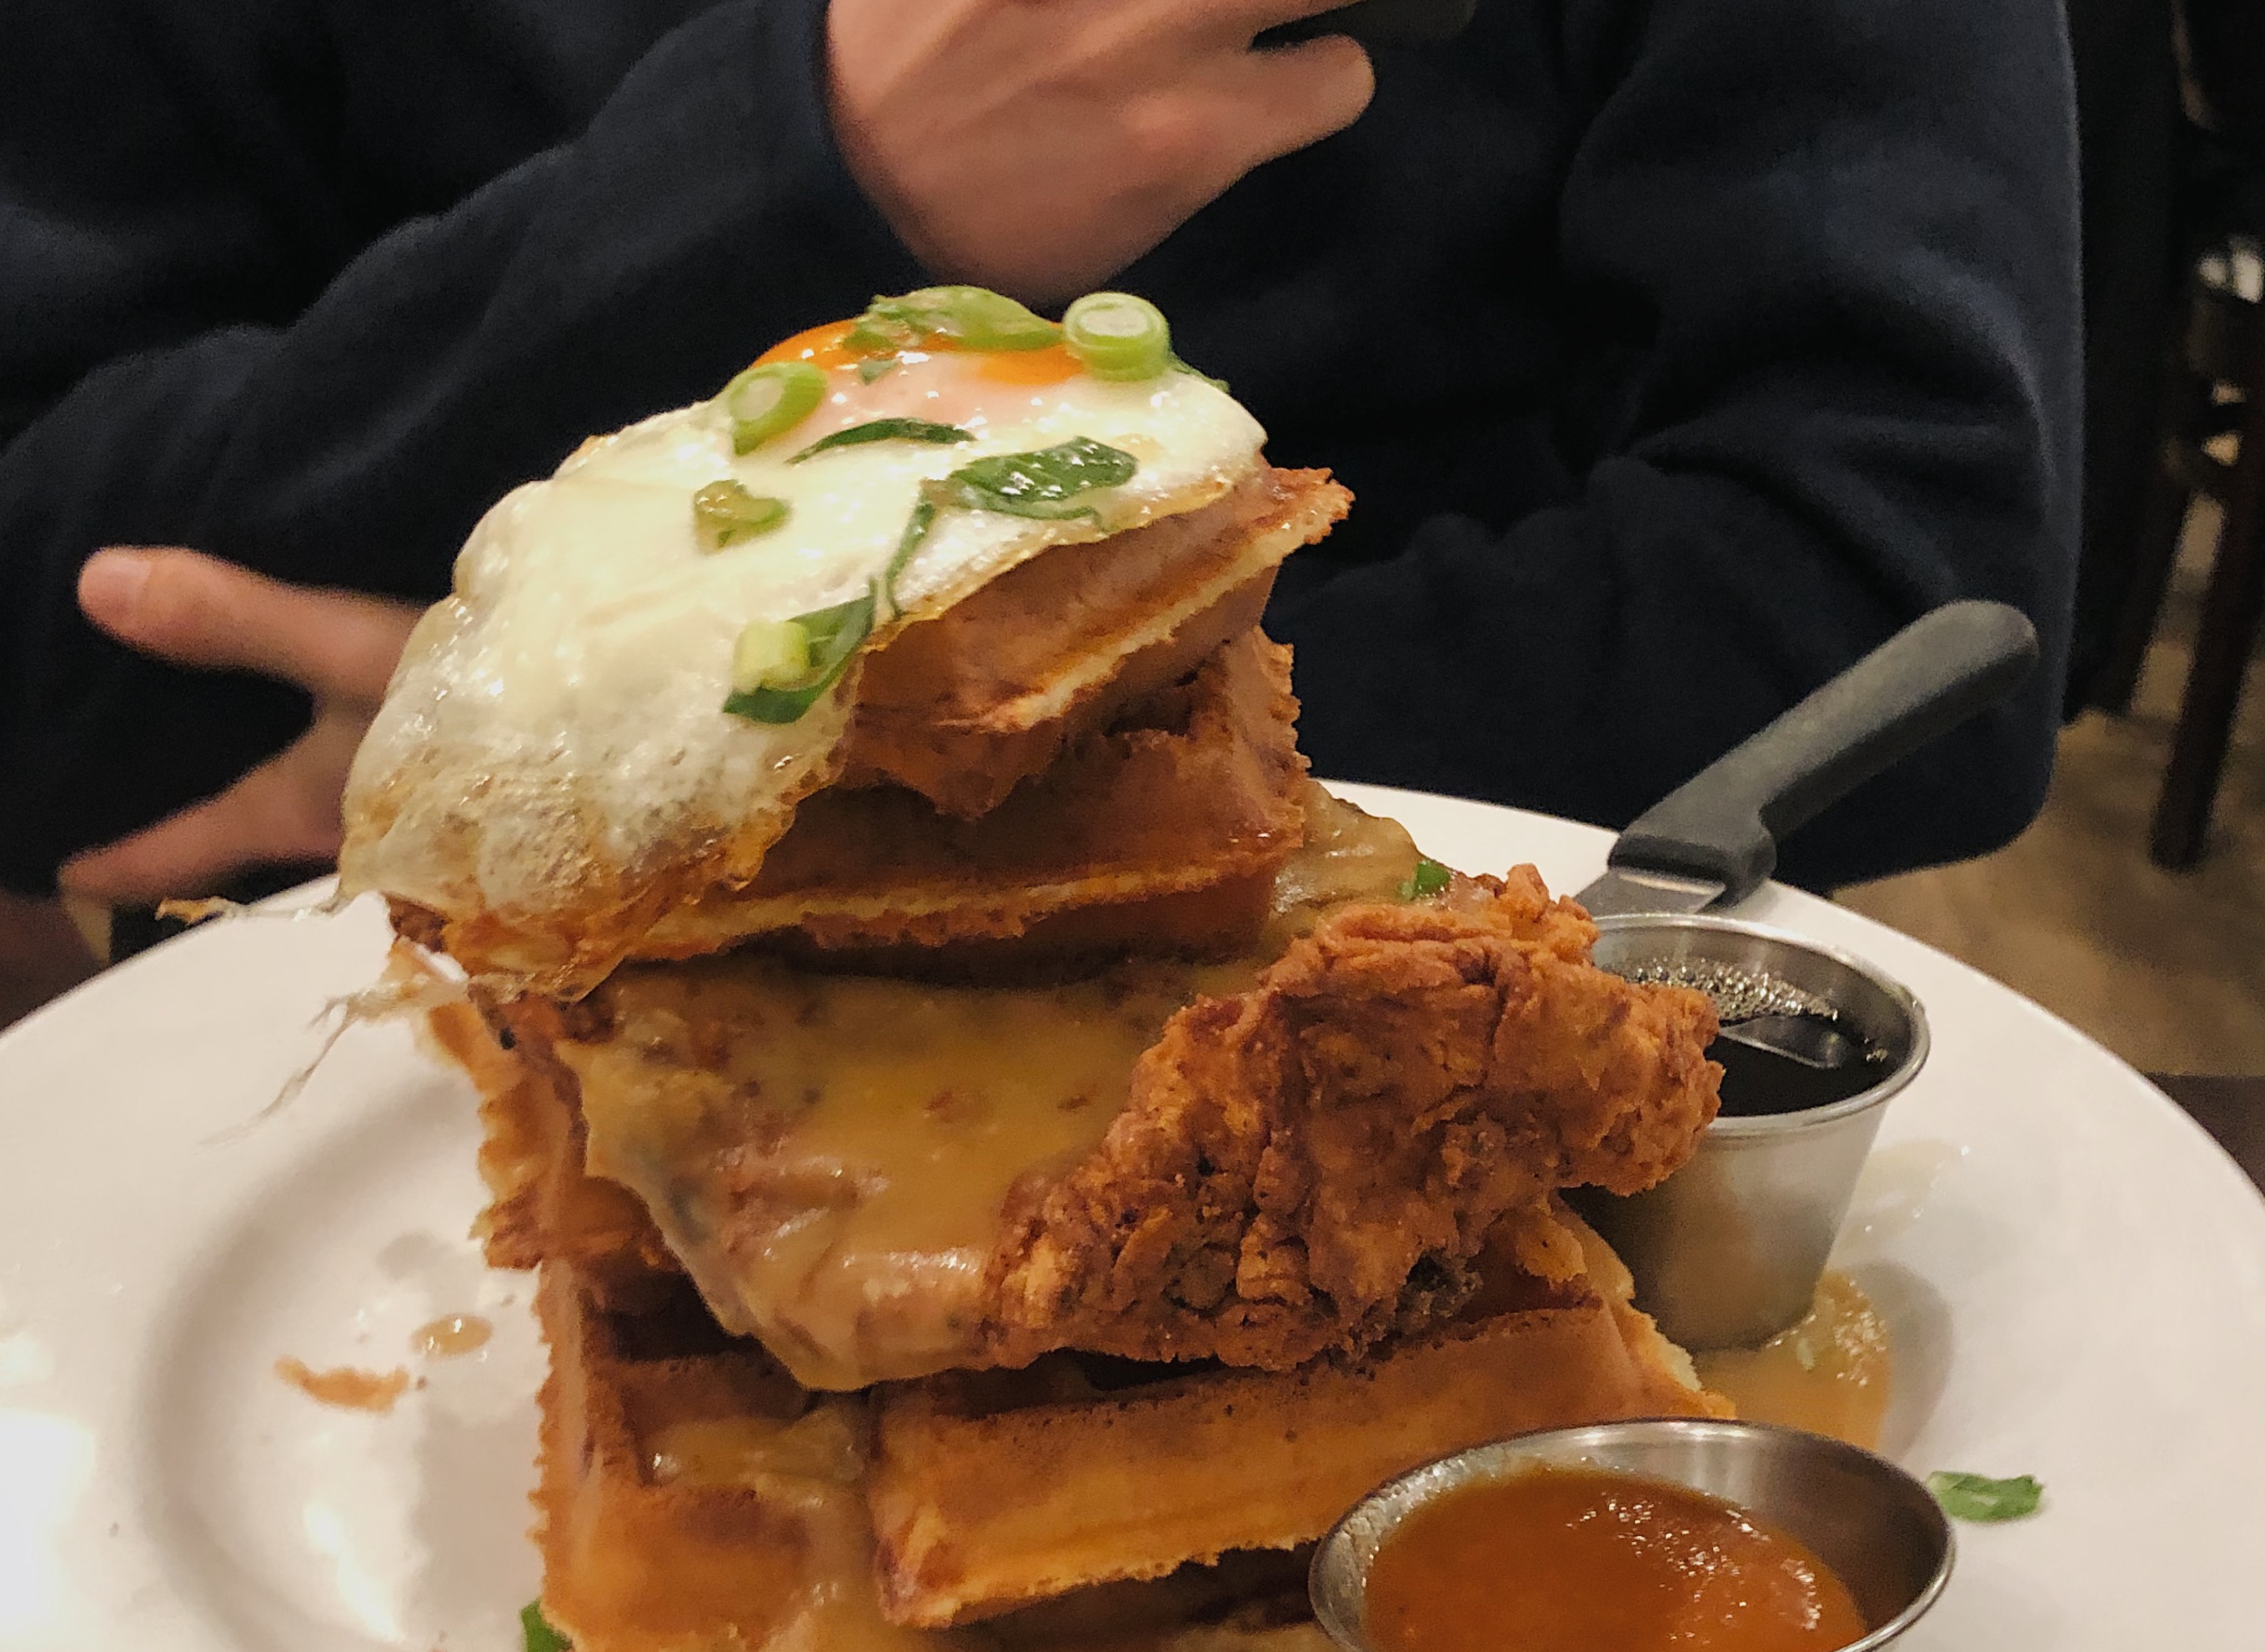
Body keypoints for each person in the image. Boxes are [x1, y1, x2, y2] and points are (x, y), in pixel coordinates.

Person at [0, 0, 2081, 1008]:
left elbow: (1903, 605)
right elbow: (53, 673)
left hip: (1452, 1090)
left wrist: (735, 756)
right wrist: (793, 175)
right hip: (344, 1236)